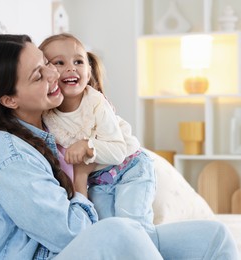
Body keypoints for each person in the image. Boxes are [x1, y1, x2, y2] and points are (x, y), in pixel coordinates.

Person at [0, 33, 239, 260]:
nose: (55, 73)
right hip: (58, 251)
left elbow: (117, 144)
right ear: (9, 100)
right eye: (38, 76)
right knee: (119, 231)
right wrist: (82, 177)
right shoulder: (9, 158)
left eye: (46, 63)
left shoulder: (52, 124)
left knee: (214, 237)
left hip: (93, 240)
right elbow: (72, 233)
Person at [39, 33, 158, 244]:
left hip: (130, 168)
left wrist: (87, 145)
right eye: (59, 62)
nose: (71, 68)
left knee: (133, 228)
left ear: (89, 69)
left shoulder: (95, 103)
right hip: (99, 180)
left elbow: (118, 151)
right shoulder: (47, 113)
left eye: (78, 61)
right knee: (106, 232)